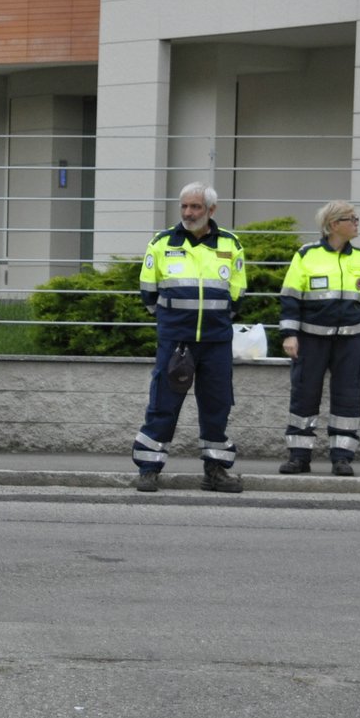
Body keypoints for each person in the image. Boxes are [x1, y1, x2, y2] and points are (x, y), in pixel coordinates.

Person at [131, 181, 247, 493]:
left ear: (211, 210)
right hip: (175, 340)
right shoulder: (162, 242)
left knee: (217, 406)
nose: (188, 212)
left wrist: (216, 321)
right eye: (184, 206)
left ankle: (216, 471)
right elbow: (148, 292)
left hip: (216, 341)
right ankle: (149, 469)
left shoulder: (231, 244)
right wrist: (172, 322)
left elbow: (237, 294)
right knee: (163, 405)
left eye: (195, 207)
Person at [276, 201, 360, 476]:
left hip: (350, 342)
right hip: (311, 340)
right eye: (352, 219)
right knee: (304, 397)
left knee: (348, 399)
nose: (357, 223)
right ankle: (299, 457)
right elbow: (290, 298)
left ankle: (342, 458)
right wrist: (290, 334)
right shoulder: (306, 255)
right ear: (334, 225)